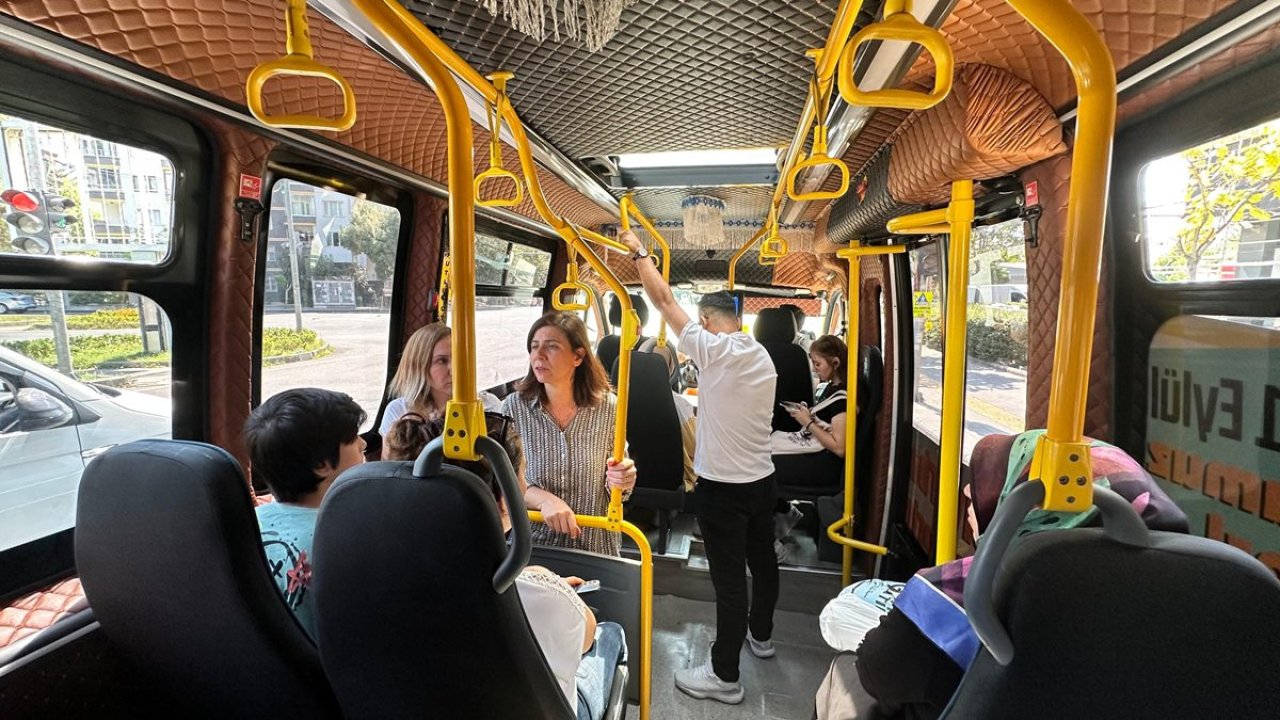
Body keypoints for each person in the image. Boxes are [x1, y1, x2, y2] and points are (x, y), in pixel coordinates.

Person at [815, 430, 1189, 720]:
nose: (967, 489)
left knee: (847, 678)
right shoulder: (1193, 592)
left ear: (1036, 505)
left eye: (998, 483)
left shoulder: (962, 594)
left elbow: (877, 671)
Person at [620, 229, 778, 705]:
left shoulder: (713, 348)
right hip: (762, 480)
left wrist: (639, 251)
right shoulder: (761, 353)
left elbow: (664, 299)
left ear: (708, 320)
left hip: (723, 488)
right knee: (763, 562)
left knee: (728, 582)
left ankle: (725, 676)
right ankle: (762, 638)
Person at [383, 412, 626, 720]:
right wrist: (549, 586)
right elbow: (586, 634)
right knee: (611, 635)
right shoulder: (541, 598)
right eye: (522, 478)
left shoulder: (381, 579)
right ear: (502, 499)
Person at [502, 312, 637, 556]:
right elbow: (503, 482)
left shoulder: (608, 408)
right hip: (535, 548)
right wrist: (543, 500)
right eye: (534, 347)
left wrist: (623, 479)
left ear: (578, 356)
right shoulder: (513, 408)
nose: (539, 355)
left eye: (551, 347)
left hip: (595, 544)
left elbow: (617, 485)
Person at [243, 388, 368, 641]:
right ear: (321, 465)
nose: (364, 444)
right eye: (353, 439)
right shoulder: (347, 541)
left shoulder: (246, 523)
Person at [771, 336, 857, 547]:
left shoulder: (842, 400)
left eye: (818, 364)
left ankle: (768, 539)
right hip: (817, 454)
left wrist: (807, 422)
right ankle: (782, 514)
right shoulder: (831, 391)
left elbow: (839, 447)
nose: (815, 369)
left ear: (835, 363)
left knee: (760, 468)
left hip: (824, 463)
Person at [380, 323, 501, 441]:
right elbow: (390, 461)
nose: (454, 370)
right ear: (419, 367)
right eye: (442, 361)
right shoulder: (399, 411)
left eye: (460, 358)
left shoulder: (489, 406)